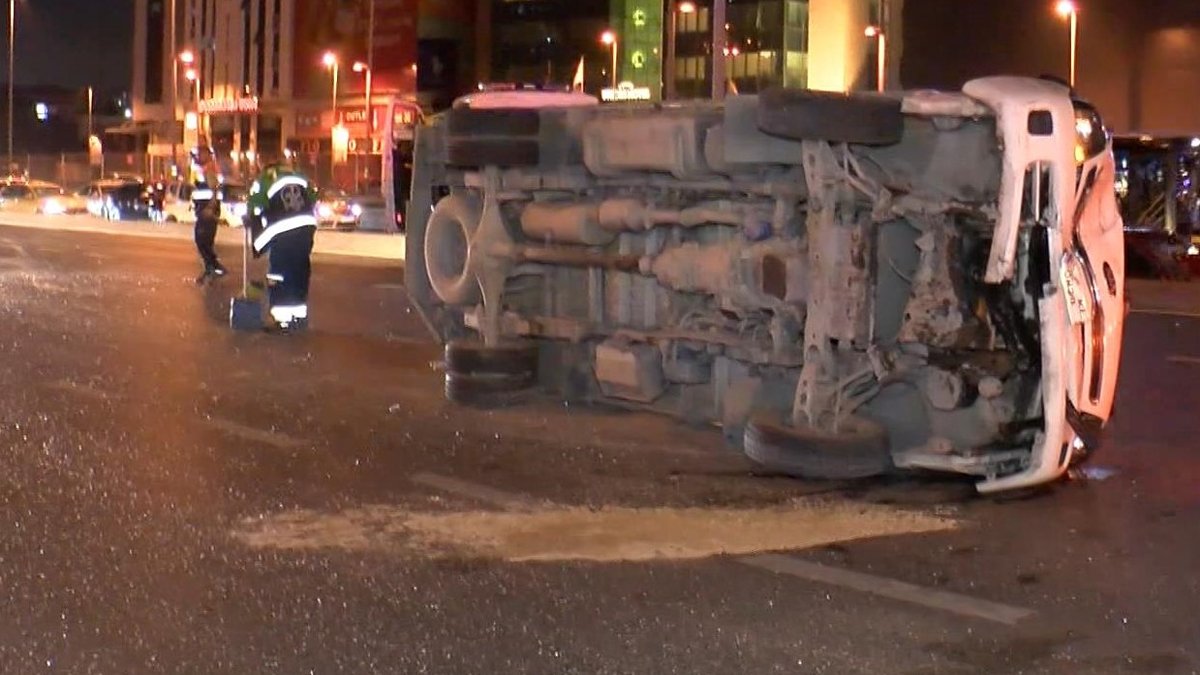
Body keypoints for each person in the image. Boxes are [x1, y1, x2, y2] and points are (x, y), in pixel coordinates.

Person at [245, 161, 318, 332]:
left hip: (282, 229)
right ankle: (299, 316)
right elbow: (313, 197)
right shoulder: (298, 174)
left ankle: (282, 320)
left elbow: (255, 206)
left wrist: (253, 226)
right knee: (299, 270)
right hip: (307, 227)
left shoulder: (265, 177)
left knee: (279, 274)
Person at [190, 142, 227, 284]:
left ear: (207, 154)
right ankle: (211, 267)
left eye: (201, 154)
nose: (199, 156)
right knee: (205, 241)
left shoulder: (209, 169)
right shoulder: (205, 169)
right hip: (204, 209)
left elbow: (214, 190)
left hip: (207, 210)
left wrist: (210, 208)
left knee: (201, 240)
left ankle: (214, 267)